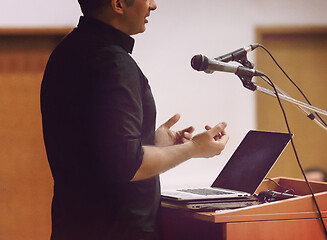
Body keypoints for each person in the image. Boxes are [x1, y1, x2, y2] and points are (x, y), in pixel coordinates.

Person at [40, 0, 229, 239]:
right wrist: (194, 148)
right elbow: (128, 164)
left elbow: (94, 153)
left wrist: (151, 142)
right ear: (118, 4)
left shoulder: (65, 53)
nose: (153, 5)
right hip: (119, 229)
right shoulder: (114, 62)